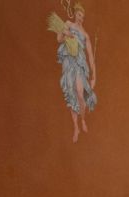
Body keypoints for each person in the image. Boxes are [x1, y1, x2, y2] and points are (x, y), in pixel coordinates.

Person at [50, 2, 97, 143]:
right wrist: (66, 35)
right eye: (79, 14)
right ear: (75, 14)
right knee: (71, 94)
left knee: (80, 93)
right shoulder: (68, 24)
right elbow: (59, 39)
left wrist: (94, 75)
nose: (80, 18)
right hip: (68, 60)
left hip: (79, 63)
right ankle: (76, 126)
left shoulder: (85, 35)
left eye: (83, 16)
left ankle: (82, 119)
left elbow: (90, 56)